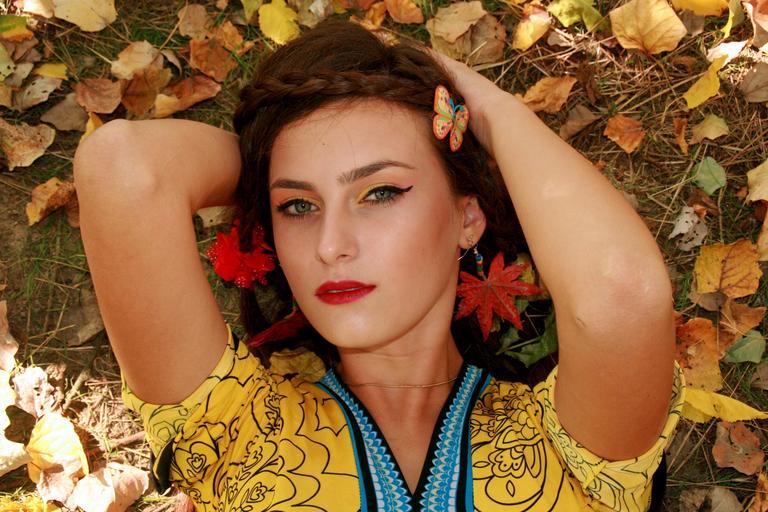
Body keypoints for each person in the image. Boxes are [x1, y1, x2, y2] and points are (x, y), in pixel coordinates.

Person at [73, 18, 683, 512]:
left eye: (381, 192)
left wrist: (485, 109)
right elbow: (124, 168)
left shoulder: (566, 445)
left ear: (467, 217)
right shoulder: (234, 429)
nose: (330, 244)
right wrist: (269, 152)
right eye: (298, 206)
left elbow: (621, 293)